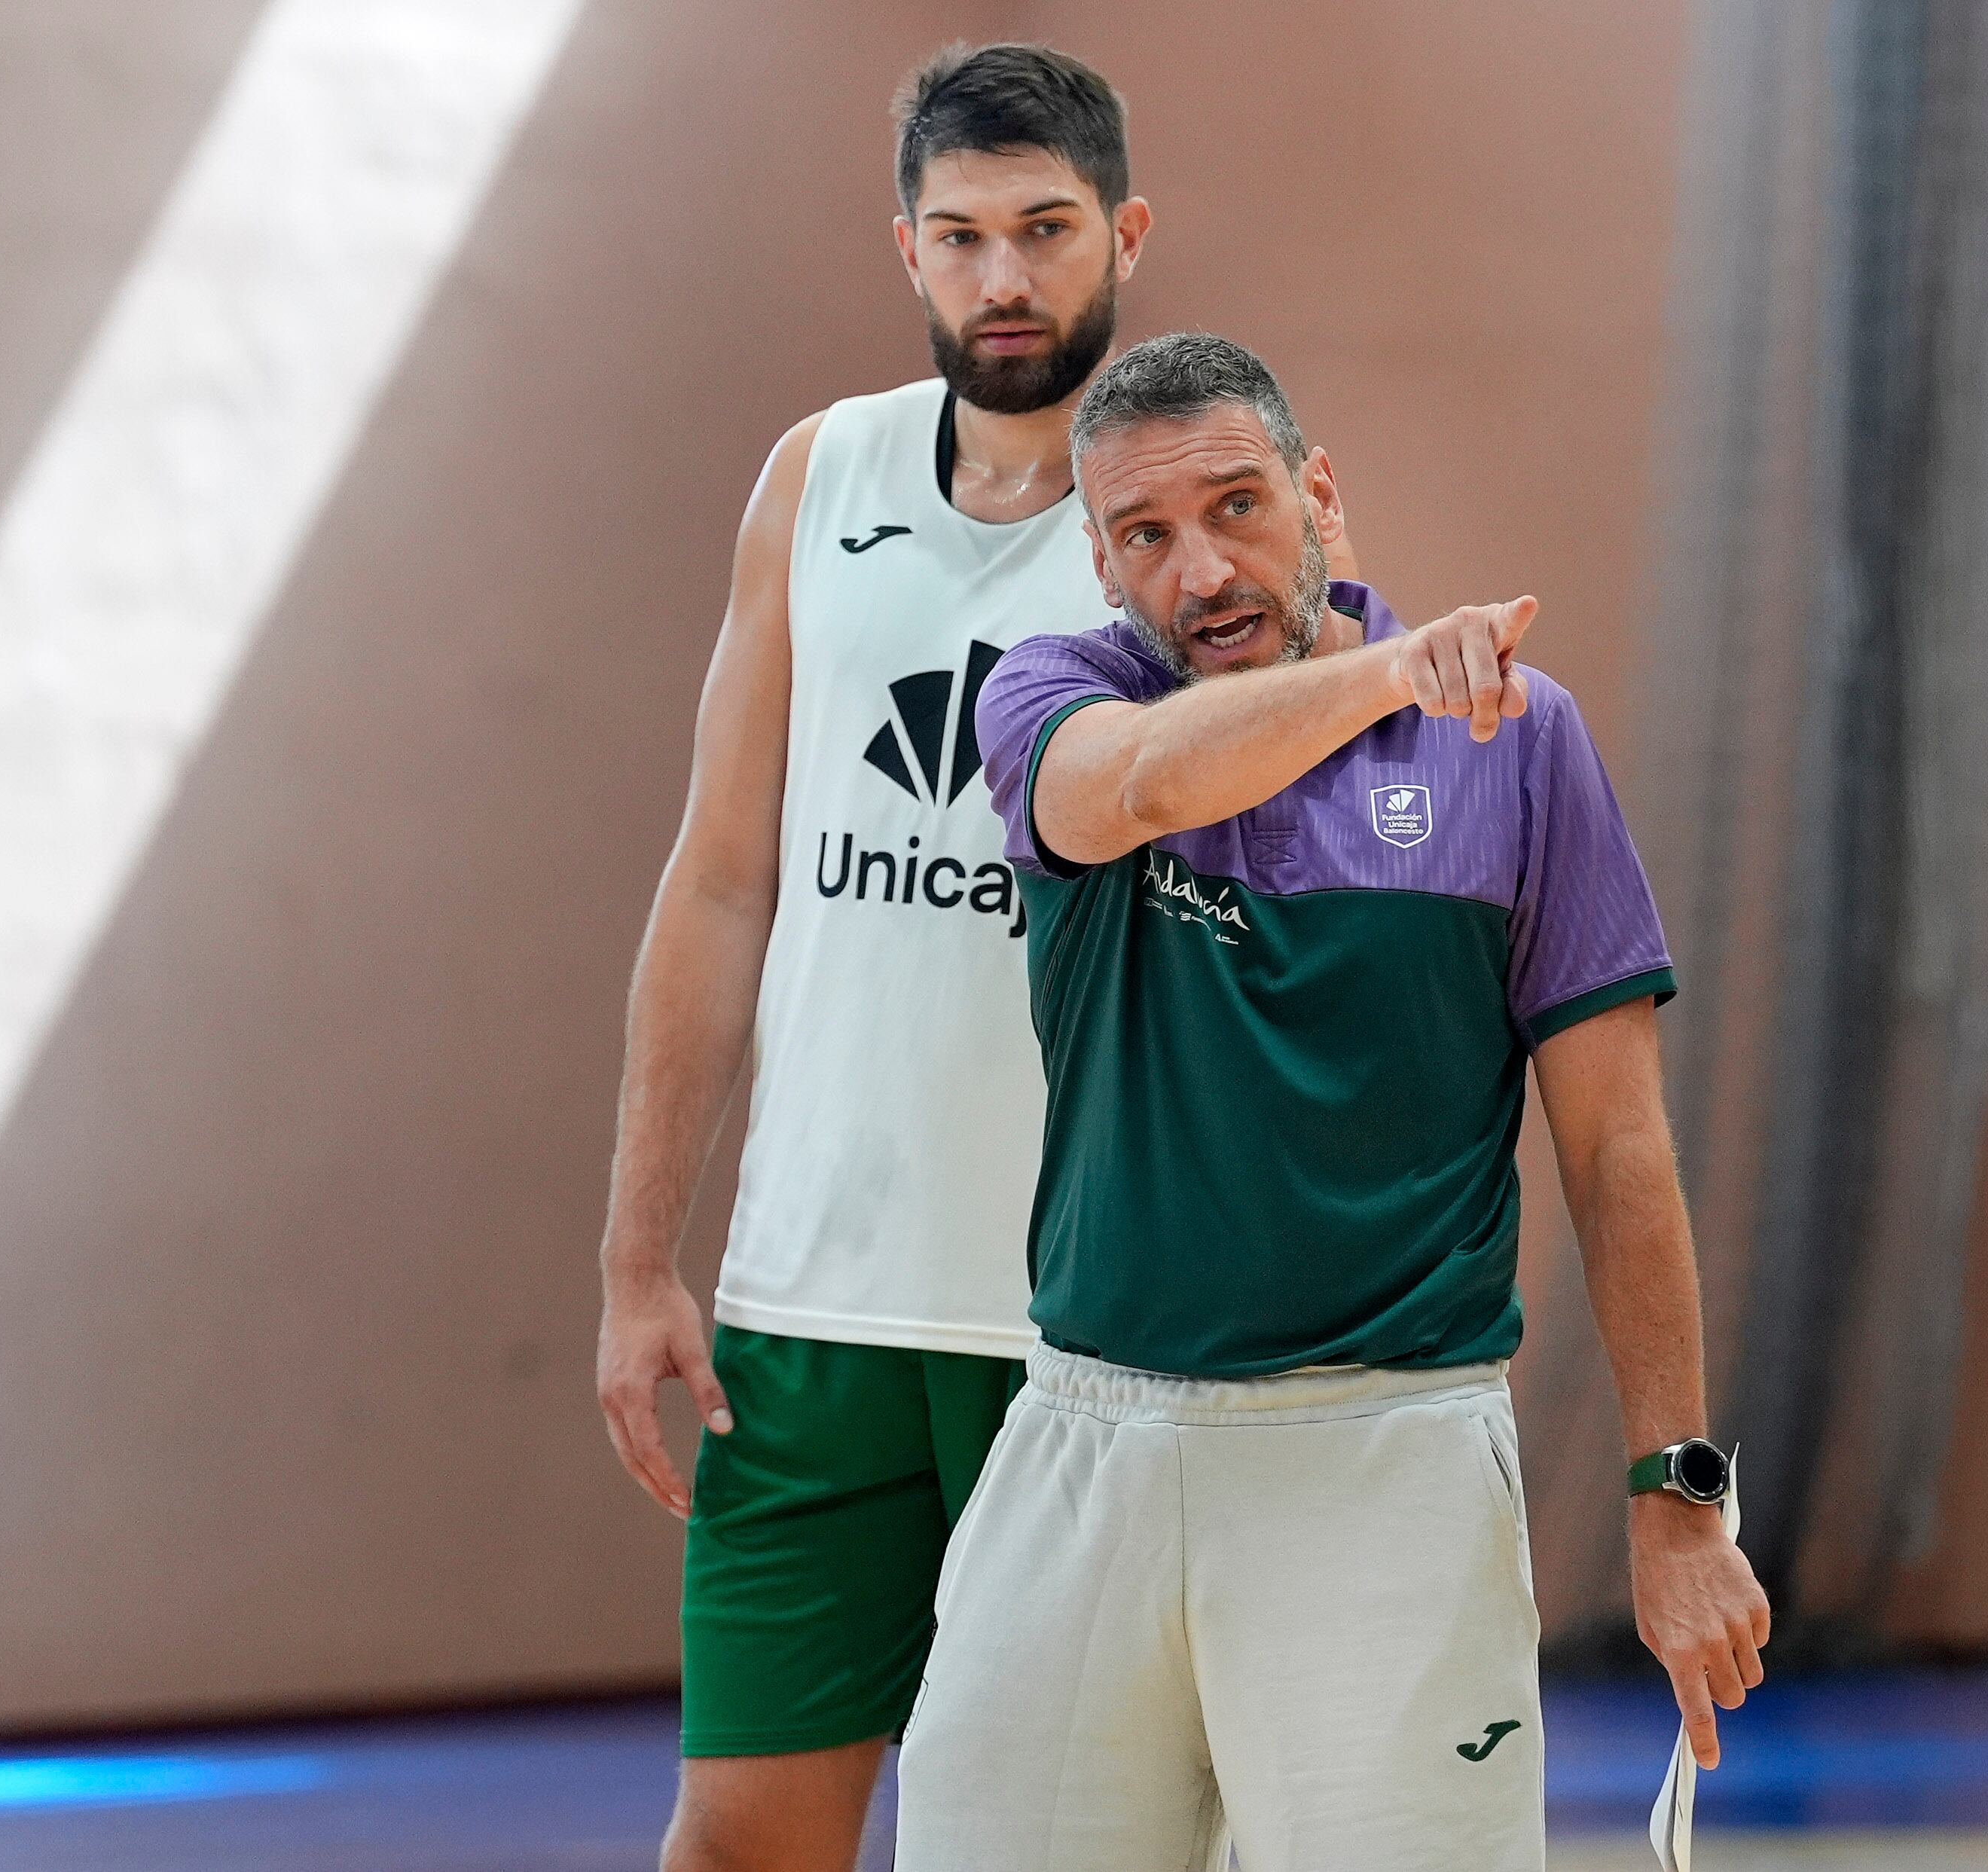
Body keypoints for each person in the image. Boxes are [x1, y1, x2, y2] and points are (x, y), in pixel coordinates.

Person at [592, 50, 1352, 1872]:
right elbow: (716, 881)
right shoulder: (820, 473)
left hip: (1090, 1330)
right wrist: (638, 1255)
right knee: (739, 1845)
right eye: (962, 238)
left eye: (1045, 231)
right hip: (814, 1314)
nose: (1004, 279)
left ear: (1125, 235)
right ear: (909, 252)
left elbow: (1312, 879)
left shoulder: (1189, 521)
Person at [894, 333, 1770, 1872]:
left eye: (1238, 507)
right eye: (1146, 537)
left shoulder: (1518, 741)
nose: (1203, 569)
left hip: (1388, 1456)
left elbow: (1619, 1149)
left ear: (1316, 494)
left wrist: (1676, 1495)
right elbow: (1143, 789)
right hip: (1085, 1447)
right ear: (1098, 563)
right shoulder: (1054, 698)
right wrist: (1383, 670)